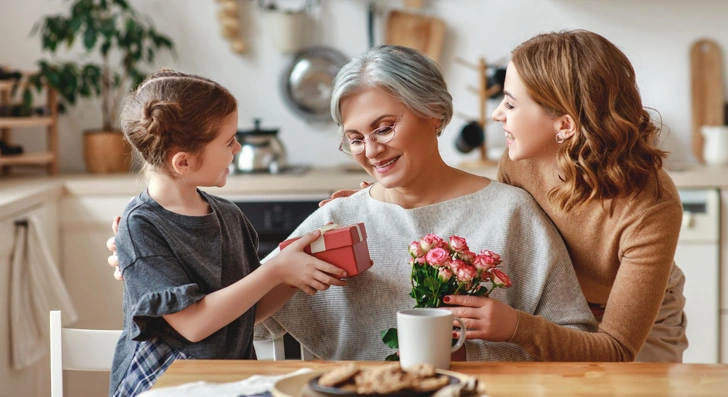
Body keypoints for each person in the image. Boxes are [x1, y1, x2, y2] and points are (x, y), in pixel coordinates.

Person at [107, 47, 596, 362]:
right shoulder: (334, 220)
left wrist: (516, 329)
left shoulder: (511, 212)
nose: (371, 150)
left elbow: (577, 338)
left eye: (384, 127)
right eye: (355, 138)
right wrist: (147, 259)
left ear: (436, 114)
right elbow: (238, 314)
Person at [326, 30, 687, 363]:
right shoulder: (522, 160)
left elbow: (617, 349)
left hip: (629, 326)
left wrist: (519, 327)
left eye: (511, 105)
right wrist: (379, 200)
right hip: (559, 309)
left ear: (564, 125)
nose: (498, 114)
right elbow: (494, 219)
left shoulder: (651, 208)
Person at [109, 69, 346, 396]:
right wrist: (276, 269)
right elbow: (193, 325)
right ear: (183, 162)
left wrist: (298, 273)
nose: (237, 148)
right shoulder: (140, 227)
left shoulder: (228, 214)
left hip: (230, 379)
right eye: (227, 140)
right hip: (163, 383)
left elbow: (250, 309)